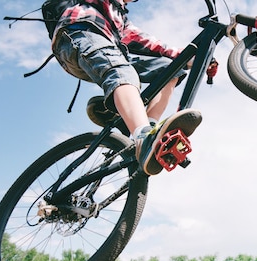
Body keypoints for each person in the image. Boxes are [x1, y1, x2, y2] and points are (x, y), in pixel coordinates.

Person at [51, 0, 202, 176]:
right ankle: (143, 136)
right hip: (79, 34)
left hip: (107, 45)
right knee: (122, 72)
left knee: (170, 70)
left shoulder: (120, 16)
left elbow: (140, 39)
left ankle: (150, 128)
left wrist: (182, 56)